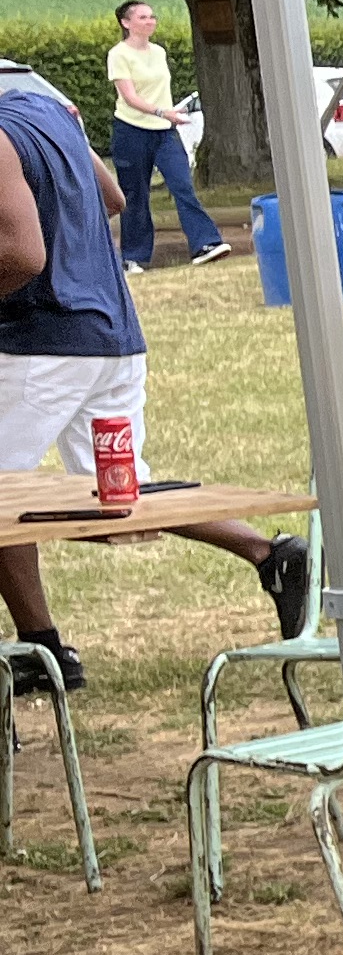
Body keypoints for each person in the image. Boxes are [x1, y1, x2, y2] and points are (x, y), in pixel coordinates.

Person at [2, 73, 310, 685]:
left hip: (41, 342)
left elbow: (23, 254)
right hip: (112, 335)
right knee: (118, 493)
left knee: (4, 499)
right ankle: (269, 553)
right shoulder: (50, 114)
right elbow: (113, 199)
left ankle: (43, 648)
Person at [103, 0, 227, 271]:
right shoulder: (119, 54)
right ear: (126, 23)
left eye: (152, 16)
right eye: (143, 17)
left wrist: (167, 116)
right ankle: (133, 257)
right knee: (135, 194)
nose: (150, 21)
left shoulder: (158, 52)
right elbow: (130, 97)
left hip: (164, 132)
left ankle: (205, 243)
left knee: (182, 185)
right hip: (132, 131)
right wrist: (162, 112)